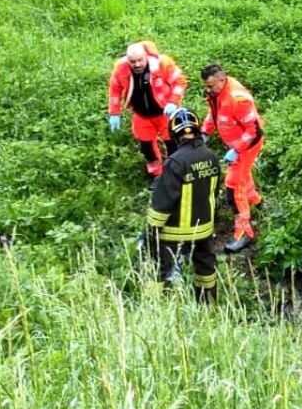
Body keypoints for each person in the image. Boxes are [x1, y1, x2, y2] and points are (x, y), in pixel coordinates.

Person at [144, 107, 221, 303]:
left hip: (174, 232)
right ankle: (209, 307)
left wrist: (151, 232)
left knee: (159, 269)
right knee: (206, 270)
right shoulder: (211, 156)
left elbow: (163, 201)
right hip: (204, 229)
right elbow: (214, 191)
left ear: (174, 134)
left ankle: (153, 307)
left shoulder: (175, 162)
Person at [200, 63, 265, 253]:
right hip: (237, 145)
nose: (207, 89)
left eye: (210, 86)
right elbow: (215, 115)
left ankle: (244, 233)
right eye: (205, 85)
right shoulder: (217, 94)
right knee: (243, 177)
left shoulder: (238, 99)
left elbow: (254, 131)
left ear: (222, 80)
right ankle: (256, 201)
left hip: (247, 145)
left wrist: (237, 149)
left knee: (233, 186)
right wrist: (205, 132)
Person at [108, 41, 188, 178]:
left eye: (140, 60)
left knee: (172, 143)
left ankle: (174, 172)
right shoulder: (121, 69)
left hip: (165, 113)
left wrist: (173, 101)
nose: (137, 65)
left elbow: (180, 81)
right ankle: (156, 173)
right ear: (127, 60)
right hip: (141, 115)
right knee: (146, 148)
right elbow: (114, 90)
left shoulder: (162, 64)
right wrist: (114, 113)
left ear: (146, 56)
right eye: (133, 62)